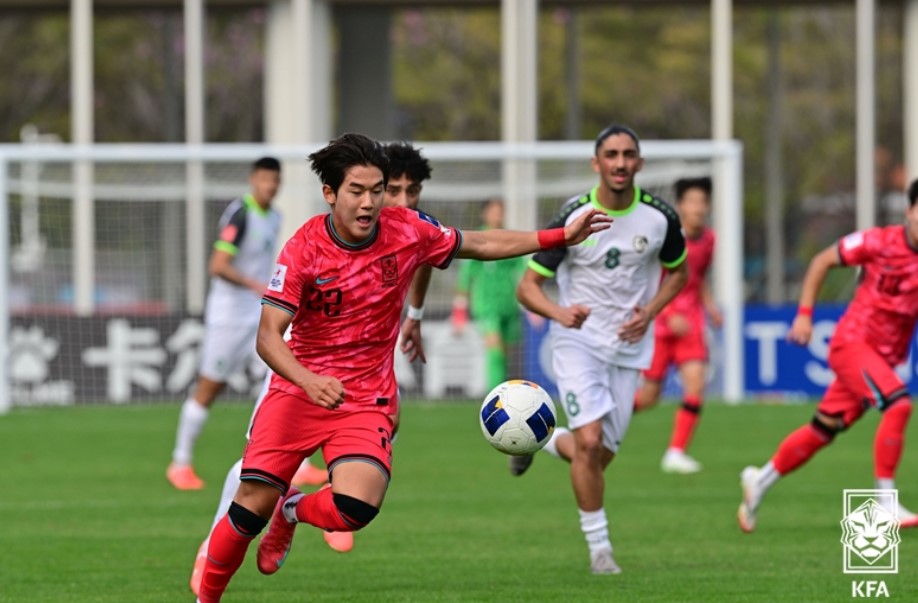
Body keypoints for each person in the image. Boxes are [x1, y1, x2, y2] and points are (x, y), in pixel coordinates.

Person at [194, 133, 610, 603]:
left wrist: (559, 236)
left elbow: (481, 241)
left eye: (377, 189)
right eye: (357, 190)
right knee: (248, 511)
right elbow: (268, 335)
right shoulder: (304, 248)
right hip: (300, 391)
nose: (369, 202)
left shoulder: (408, 229)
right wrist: (308, 380)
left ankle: (291, 513)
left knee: (356, 506)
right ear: (330, 193)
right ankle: (207, 597)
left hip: (363, 396)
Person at [188, 141, 435, 595]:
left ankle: (316, 510)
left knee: (385, 425)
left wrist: (414, 317)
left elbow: (424, 259)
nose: (398, 202)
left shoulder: (405, 227)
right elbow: (240, 282)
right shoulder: (268, 222)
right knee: (258, 471)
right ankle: (214, 538)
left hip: (360, 359)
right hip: (293, 350)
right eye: (391, 190)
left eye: (408, 191)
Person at [512, 124, 688, 575]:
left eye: (629, 154)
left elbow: (679, 273)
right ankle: (601, 551)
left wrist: (649, 311)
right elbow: (527, 287)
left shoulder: (660, 217)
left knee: (598, 455)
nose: (620, 162)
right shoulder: (573, 217)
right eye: (611, 154)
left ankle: (541, 438)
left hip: (629, 348)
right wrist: (559, 313)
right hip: (578, 342)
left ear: (640, 164)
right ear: (597, 163)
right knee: (589, 444)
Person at [737, 179, 918, 533]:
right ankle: (885, 504)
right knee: (899, 405)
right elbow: (821, 261)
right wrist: (804, 314)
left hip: (885, 356)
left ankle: (760, 480)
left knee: (823, 429)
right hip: (853, 343)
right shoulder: (878, 241)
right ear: (910, 211)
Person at [167, 156, 282, 491]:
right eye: (264, 179)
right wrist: (253, 284)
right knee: (210, 387)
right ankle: (180, 462)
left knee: (281, 379)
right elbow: (217, 265)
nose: (270, 186)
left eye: (274, 180)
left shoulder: (275, 215)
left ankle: (297, 463)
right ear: (253, 180)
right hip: (229, 317)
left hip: (259, 314)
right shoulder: (241, 213)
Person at [633, 177, 722, 474]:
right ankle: (603, 417)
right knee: (648, 398)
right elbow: (653, 279)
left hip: (692, 323)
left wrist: (710, 307)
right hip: (660, 322)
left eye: (702, 202)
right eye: (692, 201)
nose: (698, 207)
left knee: (696, 383)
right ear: (681, 205)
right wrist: (668, 312)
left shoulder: (710, 239)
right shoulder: (666, 236)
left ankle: (676, 452)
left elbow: (697, 279)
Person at [451, 198, 527, 389]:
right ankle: (495, 395)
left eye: (501, 211)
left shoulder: (510, 238)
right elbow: (465, 276)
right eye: (494, 211)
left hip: (509, 305)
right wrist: (460, 310)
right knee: (495, 351)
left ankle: (505, 392)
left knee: (507, 354)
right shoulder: (477, 239)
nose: (498, 215)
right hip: (486, 305)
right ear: (485, 213)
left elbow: (525, 269)